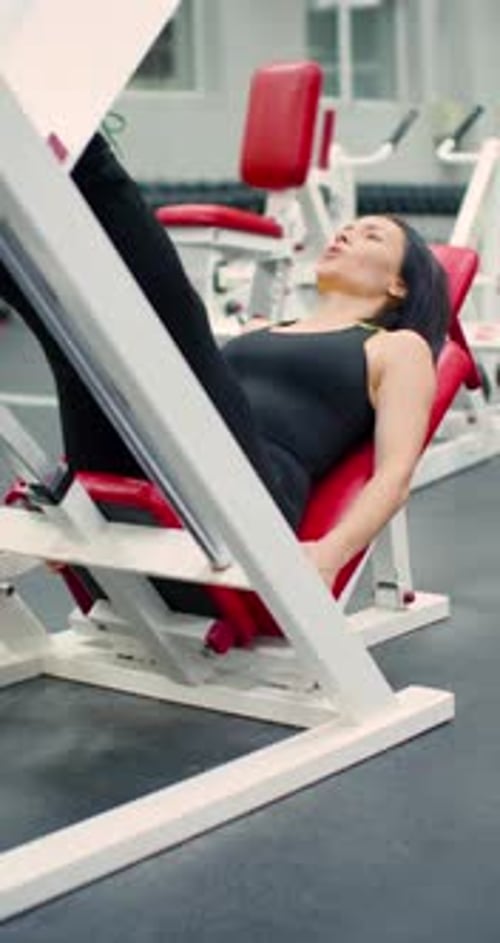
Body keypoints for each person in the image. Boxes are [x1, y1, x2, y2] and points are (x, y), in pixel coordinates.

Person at [0, 133, 450, 592]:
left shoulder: (398, 348)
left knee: (165, 322)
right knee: (68, 330)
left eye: (371, 235)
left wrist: (329, 555)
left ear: (398, 285)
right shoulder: (263, 329)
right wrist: (70, 511)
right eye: (349, 228)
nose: (346, 233)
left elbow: (395, 475)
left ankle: (85, 153)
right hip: (168, 461)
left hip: (250, 501)